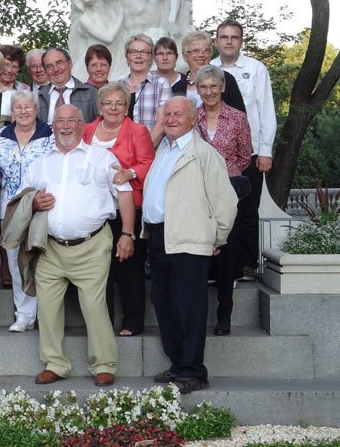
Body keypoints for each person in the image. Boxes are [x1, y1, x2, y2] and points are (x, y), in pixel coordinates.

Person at [21, 104, 136, 387]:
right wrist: (34, 202)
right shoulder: (39, 162)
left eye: (72, 119)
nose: (66, 125)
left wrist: (128, 233)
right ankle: (55, 363)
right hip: (50, 248)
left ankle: (104, 364)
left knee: (94, 306)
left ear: (83, 124)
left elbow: (124, 193)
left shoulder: (101, 157)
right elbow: (21, 200)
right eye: (60, 120)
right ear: (53, 125)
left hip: (92, 246)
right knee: (46, 307)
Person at [144, 96, 237, 394]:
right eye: (166, 114)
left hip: (190, 240)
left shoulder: (204, 154)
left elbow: (225, 202)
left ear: (193, 118)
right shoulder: (164, 150)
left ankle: (194, 371)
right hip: (160, 238)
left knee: (190, 308)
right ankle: (177, 365)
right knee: (166, 306)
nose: (170, 119)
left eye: (177, 114)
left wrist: (215, 237)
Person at [82, 82, 155, 336]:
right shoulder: (88, 129)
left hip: (128, 208)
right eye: (108, 103)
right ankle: (102, 322)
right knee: (99, 267)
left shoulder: (138, 131)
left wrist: (130, 172)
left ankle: (132, 322)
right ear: (100, 105)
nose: (113, 108)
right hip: (95, 209)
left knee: (129, 266)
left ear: (127, 107)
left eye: (120, 103)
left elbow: (148, 164)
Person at [211, 19, 276, 277]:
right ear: (216, 40)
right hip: (215, 154)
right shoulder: (208, 69)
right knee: (214, 211)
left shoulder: (256, 69)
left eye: (234, 37)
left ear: (241, 41)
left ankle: (248, 264)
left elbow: (266, 110)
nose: (228, 41)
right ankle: (217, 266)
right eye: (224, 36)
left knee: (248, 210)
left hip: (249, 154)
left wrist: (265, 150)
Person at [194, 65, 252, 335]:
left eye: (212, 86)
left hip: (229, 194)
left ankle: (224, 315)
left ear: (222, 87)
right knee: (201, 253)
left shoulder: (238, 118)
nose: (208, 92)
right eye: (203, 87)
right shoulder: (191, 119)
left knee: (227, 255)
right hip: (198, 193)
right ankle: (197, 315)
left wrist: (225, 176)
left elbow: (244, 156)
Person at [0, 90, 54, 332]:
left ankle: (46, 313)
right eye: (18, 107)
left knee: (42, 262)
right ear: (12, 111)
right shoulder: (2, 136)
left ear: (36, 110)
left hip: (41, 206)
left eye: (27, 107)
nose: (23, 111)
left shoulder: (49, 134)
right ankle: (24, 315)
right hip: (10, 208)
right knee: (15, 262)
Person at [172, 31, 245, 112]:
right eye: (195, 50)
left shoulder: (226, 79)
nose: (200, 55)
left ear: (210, 54)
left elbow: (240, 116)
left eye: (205, 50)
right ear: (185, 56)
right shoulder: (177, 88)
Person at [121, 34, 172, 145]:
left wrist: (143, 151)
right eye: (133, 52)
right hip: (121, 154)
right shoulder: (118, 87)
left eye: (144, 52)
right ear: (127, 57)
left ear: (151, 57)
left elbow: (162, 123)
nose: (138, 56)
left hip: (151, 153)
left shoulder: (162, 84)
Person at [37, 47, 99, 123]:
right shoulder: (38, 98)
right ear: (46, 71)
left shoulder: (91, 93)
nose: (56, 69)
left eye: (59, 63)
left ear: (70, 63)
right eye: (50, 66)